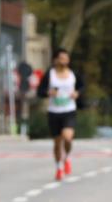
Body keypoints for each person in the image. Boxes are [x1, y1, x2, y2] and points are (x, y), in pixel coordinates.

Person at [36, 48, 85, 181]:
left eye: (66, 58)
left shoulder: (73, 74)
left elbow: (82, 86)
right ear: (56, 60)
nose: (64, 60)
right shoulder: (50, 74)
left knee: (67, 137)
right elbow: (39, 91)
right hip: (54, 112)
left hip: (69, 110)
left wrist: (77, 93)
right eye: (62, 58)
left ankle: (67, 157)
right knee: (57, 143)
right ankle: (59, 167)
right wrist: (49, 93)